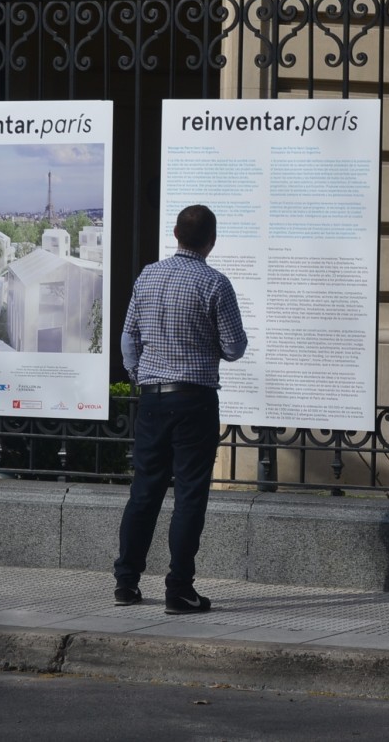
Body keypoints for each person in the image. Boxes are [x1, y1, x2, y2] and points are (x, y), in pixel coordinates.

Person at [113, 205, 248, 614]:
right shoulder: (215, 284)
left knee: (144, 491)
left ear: (175, 233)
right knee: (189, 495)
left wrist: (143, 378)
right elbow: (234, 347)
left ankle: (125, 583)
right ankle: (179, 589)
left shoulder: (148, 276)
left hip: (153, 398)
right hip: (195, 400)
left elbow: (128, 340)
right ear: (212, 240)